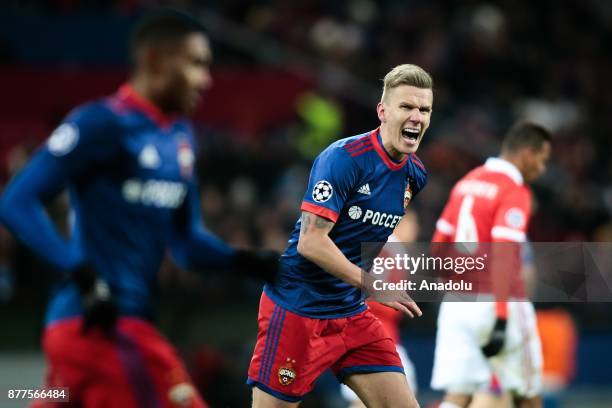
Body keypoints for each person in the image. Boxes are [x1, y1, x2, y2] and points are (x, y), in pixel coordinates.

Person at [0, 11, 277, 408]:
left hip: (115, 325)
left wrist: (251, 262)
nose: (206, 79)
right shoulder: (101, 123)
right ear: (154, 61)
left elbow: (186, 244)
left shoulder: (180, 138)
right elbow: (16, 201)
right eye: (195, 63)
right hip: (100, 324)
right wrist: (79, 270)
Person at [247, 64, 432, 407]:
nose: (417, 116)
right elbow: (311, 241)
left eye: (424, 109)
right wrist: (372, 283)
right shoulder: (343, 158)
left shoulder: (415, 175)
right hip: (297, 307)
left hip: (350, 312)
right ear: (383, 111)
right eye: (407, 107)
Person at [430, 121, 552, 408]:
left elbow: (438, 245)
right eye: (542, 159)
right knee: (527, 393)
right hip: (501, 304)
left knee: (457, 397)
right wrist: (500, 314)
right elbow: (504, 253)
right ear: (527, 153)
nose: (543, 169)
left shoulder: (467, 182)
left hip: (458, 302)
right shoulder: (513, 190)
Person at [340, 210, 420, 408]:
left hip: (359, 331)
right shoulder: (394, 248)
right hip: (379, 334)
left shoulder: (374, 241)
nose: (416, 231)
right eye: (413, 224)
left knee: (366, 399)